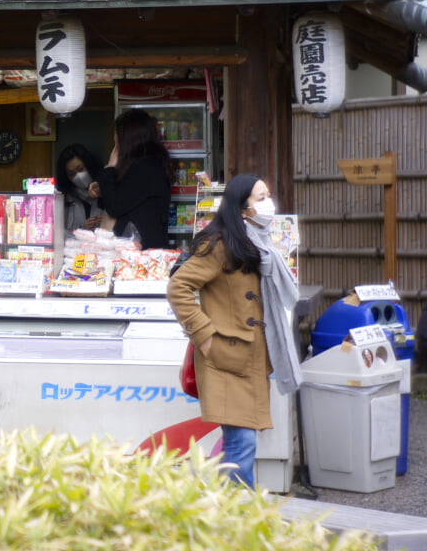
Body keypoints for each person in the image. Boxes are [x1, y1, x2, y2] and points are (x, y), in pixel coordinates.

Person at [166, 173, 302, 489]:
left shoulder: (259, 243)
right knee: (241, 446)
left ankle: (229, 517)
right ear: (242, 208)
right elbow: (179, 287)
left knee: (241, 444)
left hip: (249, 357)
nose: (269, 204)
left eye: (268, 196)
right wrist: (204, 335)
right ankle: (237, 521)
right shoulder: (220, 244)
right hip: (227, 356)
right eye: (260, 198)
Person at [96, 109, 172, 249]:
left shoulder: (145, 167)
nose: (114, 138)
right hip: (140, 251)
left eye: (116, 133)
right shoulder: (148, 164)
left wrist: (109, 169)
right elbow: (118, 200)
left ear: (126, 137)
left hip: (143, 255)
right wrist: (102, 187)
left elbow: (115, 207)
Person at [55, 143, 104, 233]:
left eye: (81, 169)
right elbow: (59, 234)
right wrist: (81, 230)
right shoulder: (63, 198)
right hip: (76, 246)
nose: (78, 176)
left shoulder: (106, 188)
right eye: (71, 174)